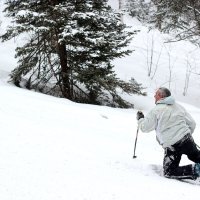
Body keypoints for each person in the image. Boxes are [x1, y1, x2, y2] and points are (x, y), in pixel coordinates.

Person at [136, 87, 200, 180]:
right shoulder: (178, 106)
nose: (154, 96)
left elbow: (145, 127)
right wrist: (185, 134)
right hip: (187, 139)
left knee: (169, 171)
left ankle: (196, 170)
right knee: (196, 156)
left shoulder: (156, 110)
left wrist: (140, 119)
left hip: (173, 145)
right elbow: (192, 123)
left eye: (156, 94)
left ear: (161, 96)